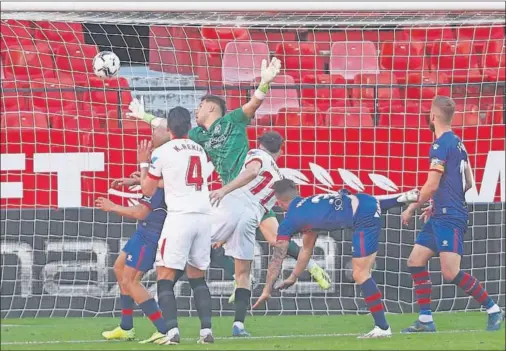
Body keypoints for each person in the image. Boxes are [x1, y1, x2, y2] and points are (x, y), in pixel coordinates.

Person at [127, 58, 331, 304]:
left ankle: (240, 281)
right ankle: (304, 268)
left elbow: (253, 105)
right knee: (272, 239)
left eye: (201, 105)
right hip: (234, 197)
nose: (196, 109)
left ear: (211, 108)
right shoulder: (198, 134)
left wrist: (264, 83)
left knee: (208, 239)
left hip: (247, 190)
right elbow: (169, 127)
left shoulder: (232, 121)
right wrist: (144, 116)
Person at [253, 179, 419, 338]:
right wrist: (294, 276)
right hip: (366, 201)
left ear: (279, 202)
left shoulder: (290, 220)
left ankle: (382, 328)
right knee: (361, 270)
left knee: (360, 274)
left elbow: (277, 258)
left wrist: (267, 289)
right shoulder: (310, 204)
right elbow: (306, 249)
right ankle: (399, 199)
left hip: (363, 217)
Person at [400, 96, 504, 333]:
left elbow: (431, 185)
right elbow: (469, 181)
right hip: (441, 213)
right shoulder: (459, 143)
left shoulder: (439, 145)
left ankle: (494, 309)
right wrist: (438, 202)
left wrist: (411, 207)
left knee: (450, 272)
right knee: (415, 260)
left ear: (433, 116)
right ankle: (425, 320)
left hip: (449, 217)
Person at [138, 107, 214, 345]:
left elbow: (147, 190)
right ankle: (206, 332)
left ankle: (171, 332)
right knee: (197, 276)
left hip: (180, 217)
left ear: (168, 128)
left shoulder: (162, 151)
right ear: (188, 127)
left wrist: (143, 165)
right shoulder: (199, 150)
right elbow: (183, 178)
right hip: (203, 216)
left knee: (164, 275)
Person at [207, 131, 284, 336]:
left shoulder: (256, 154)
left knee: (192, 246)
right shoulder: (280, 177)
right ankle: (238, 326)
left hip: (231, 204)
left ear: (260, 144)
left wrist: (224, 190)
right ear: (281, 151)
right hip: (251, 217)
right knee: (244, 275)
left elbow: (251, 171)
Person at [98, 128, 171, 341]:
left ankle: (163, 328)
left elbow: (140, 211)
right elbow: (156, 182)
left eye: (155, 136)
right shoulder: (165, 163)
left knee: (131, 281)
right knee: (119, 268)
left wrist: (112, 206)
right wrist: (137, 180)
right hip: (143, 231)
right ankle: (126, 326)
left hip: (151, 234)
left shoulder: (163, 164)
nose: (150, 137)